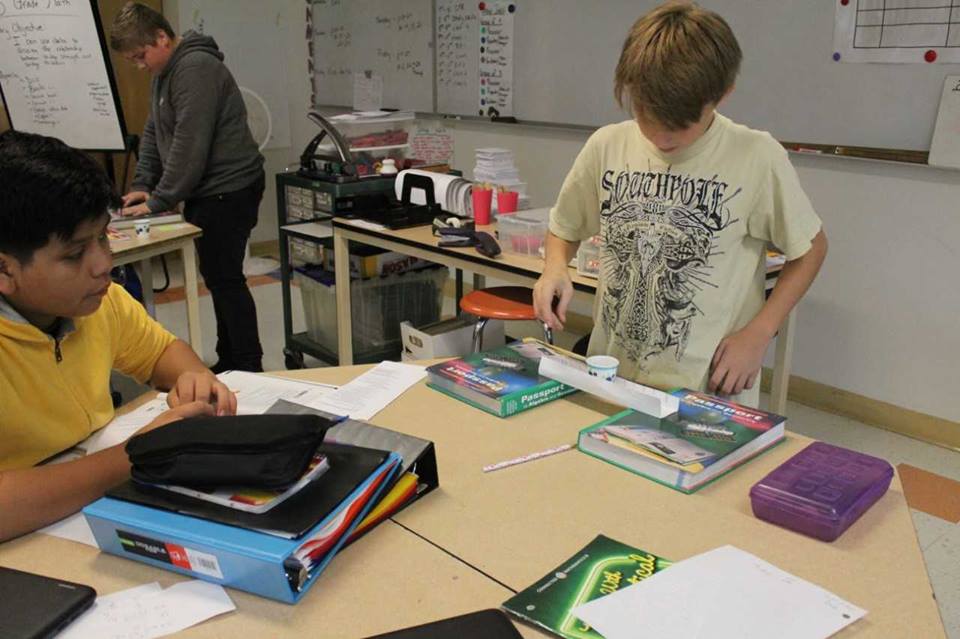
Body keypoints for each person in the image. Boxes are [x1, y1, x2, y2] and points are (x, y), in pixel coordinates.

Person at [533, 2, 828, 407]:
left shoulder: (757, 156)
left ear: (722, 95)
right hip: (613, 376)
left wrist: (759, 333)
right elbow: (563, 228)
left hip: (710, 387)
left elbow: (811, 250)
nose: (659, 136)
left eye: (678, 126)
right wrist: (554, 269)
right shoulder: (607, 145)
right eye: (645, 116)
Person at [0, 130, 238, 541]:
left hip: (75, 507)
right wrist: (138, 454)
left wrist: (193, 377)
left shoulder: (98, 302)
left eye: (103, 237)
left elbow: (161, 351)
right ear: (5, 270)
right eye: (75, 254)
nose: (103, 264)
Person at [110, 2, 266, 373]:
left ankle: (247, 364)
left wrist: (161, 199)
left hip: (229, 189)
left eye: (140, 55)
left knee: (225, 279)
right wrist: (145, 184)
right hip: (207, 191)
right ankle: (230, 358)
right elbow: (155, 131)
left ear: (161, 38)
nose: (139, 65)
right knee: (217, 277)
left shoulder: (196, 68)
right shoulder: (166, 72)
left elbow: (189, 145)